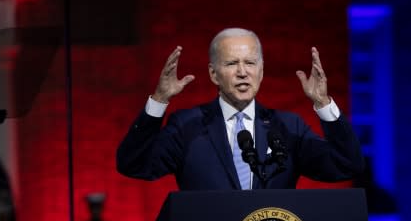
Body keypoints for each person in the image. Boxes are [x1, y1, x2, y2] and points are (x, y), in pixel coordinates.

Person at [116, 27, 365, 190]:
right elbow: (133, 164)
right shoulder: (186, 126)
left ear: (262, 71)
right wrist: (158, 100)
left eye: (250, 63)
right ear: (214, 74)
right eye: (232, 63)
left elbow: (346, 165)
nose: (243, 72)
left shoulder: (287, 127)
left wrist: (323, 105)